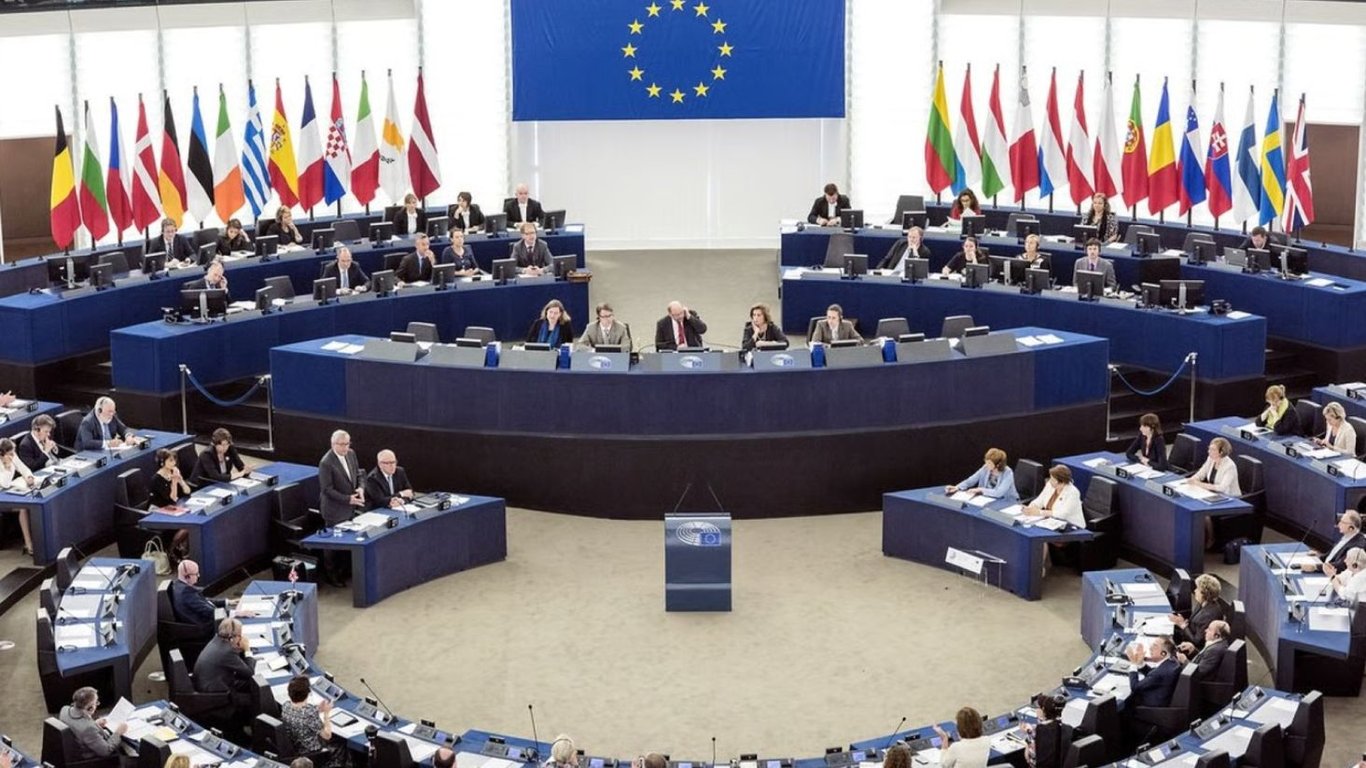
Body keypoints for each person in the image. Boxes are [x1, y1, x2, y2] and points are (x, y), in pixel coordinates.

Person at [192, 618, 256, 733]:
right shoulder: (227, 652)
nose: (241, 638)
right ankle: (250, 733)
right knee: (256, 698)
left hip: (210, 684)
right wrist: (247, 649)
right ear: (232, 638)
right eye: (240, 636)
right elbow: (249, 672)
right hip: (217, 696)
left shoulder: (216, 641)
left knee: (251, 684)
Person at [318, 430, 363, 586]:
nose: (345, 448)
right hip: (334, 511)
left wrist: (361, 488)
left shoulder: (351, 454)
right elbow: (327, 489)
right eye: (341, 444)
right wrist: (348, 499)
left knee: (347, 540)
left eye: (347, 444)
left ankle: (344, 571)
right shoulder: (326, 463)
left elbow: (358, 474)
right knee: (333, 545)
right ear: (333, 444)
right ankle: (331, 574)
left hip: (349, 508)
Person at [1124, 636, 1180, 745]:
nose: (1150, 648)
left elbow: (1135, 687)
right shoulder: (1171, 663)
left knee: (1126, 703)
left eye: (1155, 646)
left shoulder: (1160, 672)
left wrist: (1133, 665)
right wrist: (1141, 663)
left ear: (1163, 653)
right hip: (1162, 701)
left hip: (1150, 709)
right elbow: (1153, 675)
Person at [281, 675, 345, 768]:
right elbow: (327, 735)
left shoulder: (286, 706)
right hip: (311, 753)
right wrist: (326, 713)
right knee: (340, 744)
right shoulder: (310, 714)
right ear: (307, 693)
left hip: (296, 746)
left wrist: (318, 708)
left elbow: (302, 712)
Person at [58, 687, 126, 760]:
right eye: (96, 702)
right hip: (92, 758)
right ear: (90, 708)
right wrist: (118, 733)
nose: (97, 704)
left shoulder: (64, 709)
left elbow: (78, 727)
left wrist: (96, 724)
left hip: (79, 745)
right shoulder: (88, 728)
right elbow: (106, 751)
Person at [1171, 573, 1226, 650]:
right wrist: (1184, 623)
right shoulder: (1203, 603)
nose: (1195, 591)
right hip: (1187, 635)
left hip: (1194, 648)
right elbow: (1194, 623)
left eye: (1198, 589)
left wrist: (1183, 625)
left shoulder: (1209, 615)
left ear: (1205, 594)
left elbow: (1196, 642)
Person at [0, 438, 36, 555]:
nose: (13, 456)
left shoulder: (11, 455)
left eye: (13, 453)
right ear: (2, 454)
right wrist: (8, 466)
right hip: (2, 498)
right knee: (23, 507)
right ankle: (28, 543)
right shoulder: (6, 462)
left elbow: (23, 468)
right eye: (10, 454)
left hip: (8, 492)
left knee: (30, 502)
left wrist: (29, 476)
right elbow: (4, 483)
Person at [168, 559, 222, 635]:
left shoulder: (177, 586)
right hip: (205, 629)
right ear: (187, 576)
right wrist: (233, 613)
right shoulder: (186, 593)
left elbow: (202, 601)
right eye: (196, 574)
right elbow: (209, 612)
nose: (198, 576)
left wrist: (226, 602)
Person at [1304, 509, 1366, 574]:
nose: (1338, 524)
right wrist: (1319, 556)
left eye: (1342, 522)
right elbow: (1332, 556)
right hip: (1326, 569)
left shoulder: (1358, 544)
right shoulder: (1347, 536)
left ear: (1351, 527)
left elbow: (1342, 565)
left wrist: (1315, 567)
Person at [946, 448, 1018, 501]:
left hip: (1005, 501)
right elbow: (971, 480)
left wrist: (980, 490)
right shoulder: (985, 468)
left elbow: (998, 493)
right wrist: (957, 487)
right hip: (987, 499)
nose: (986, 464)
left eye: (989, 463)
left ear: (998, 465)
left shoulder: (1008, 473)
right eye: (986, 462)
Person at [1022, 693, 1066, 768]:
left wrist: (1027, 742)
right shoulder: (1064, 727)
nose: (1036, 710)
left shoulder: (1035, 730)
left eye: (1037, 707)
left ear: (1042, 709)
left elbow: (1028, 758)